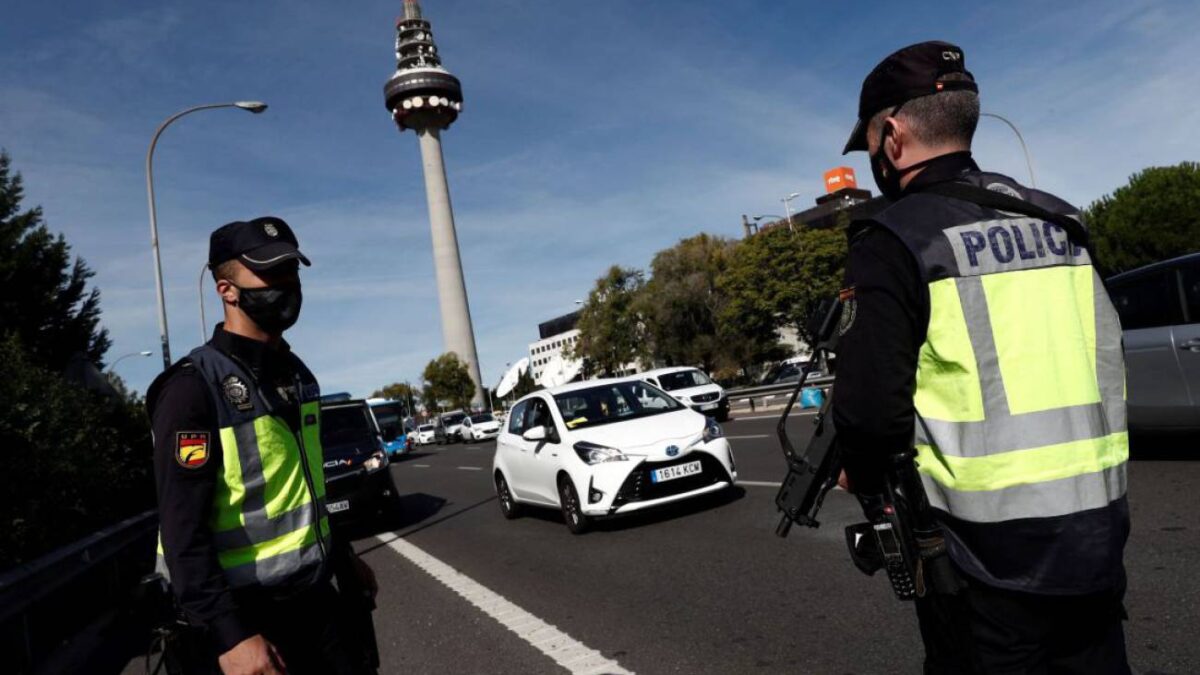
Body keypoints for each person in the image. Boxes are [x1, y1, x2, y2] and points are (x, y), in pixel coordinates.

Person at [832, 41, 1130, 673]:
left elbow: (870, 414)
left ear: (892, 137)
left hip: (983, 557)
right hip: (1097, 533)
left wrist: (857, 469)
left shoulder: (894, 238)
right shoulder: (1060, 221)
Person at [148, 216, 379, 675]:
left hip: (314, 600)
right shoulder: (192, 391)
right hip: (242, 619)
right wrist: (229, 634)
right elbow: (181, 531)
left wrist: (345, 559)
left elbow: (307, 491)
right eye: (268, 273)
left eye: (291, 271)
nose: (285, 285)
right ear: (226, 290)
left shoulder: (296, 374)